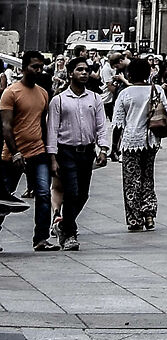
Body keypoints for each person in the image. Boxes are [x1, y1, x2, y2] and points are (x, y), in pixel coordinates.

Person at [46, 51, 108, 251]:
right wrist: (52, 157)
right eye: (79, 70)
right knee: (71, 191)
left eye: (86, 70)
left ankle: (62, 223)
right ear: (70, 73)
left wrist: (103, 148)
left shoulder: (95, 99)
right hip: (66, 151)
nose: (84, 73)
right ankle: (69, 234)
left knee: (83, 194)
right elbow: (52, 129)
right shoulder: (60, 100)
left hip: (87, 151)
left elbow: (101, 125)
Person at [112, 58, 167, 231]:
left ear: (129, 73)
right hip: (151, 141)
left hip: (131, 141)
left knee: (132, 181)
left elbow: (118, 124)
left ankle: (134, 219)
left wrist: (113, 147)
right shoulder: (157, 90)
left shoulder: (125, 93)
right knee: (148, 178)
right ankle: (149, 215)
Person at [1, 54, 55, 252]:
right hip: (12, 155)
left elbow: (43, 123)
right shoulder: (11, 92)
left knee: (43, 194)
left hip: (38, 152)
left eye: (41, 67)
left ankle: (41, 239)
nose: (39, 71)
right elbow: (6, 126)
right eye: (34, 67)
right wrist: (15, 153)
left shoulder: (43, 93)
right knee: (4, 198)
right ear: (24, 68)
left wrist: (50, 152)